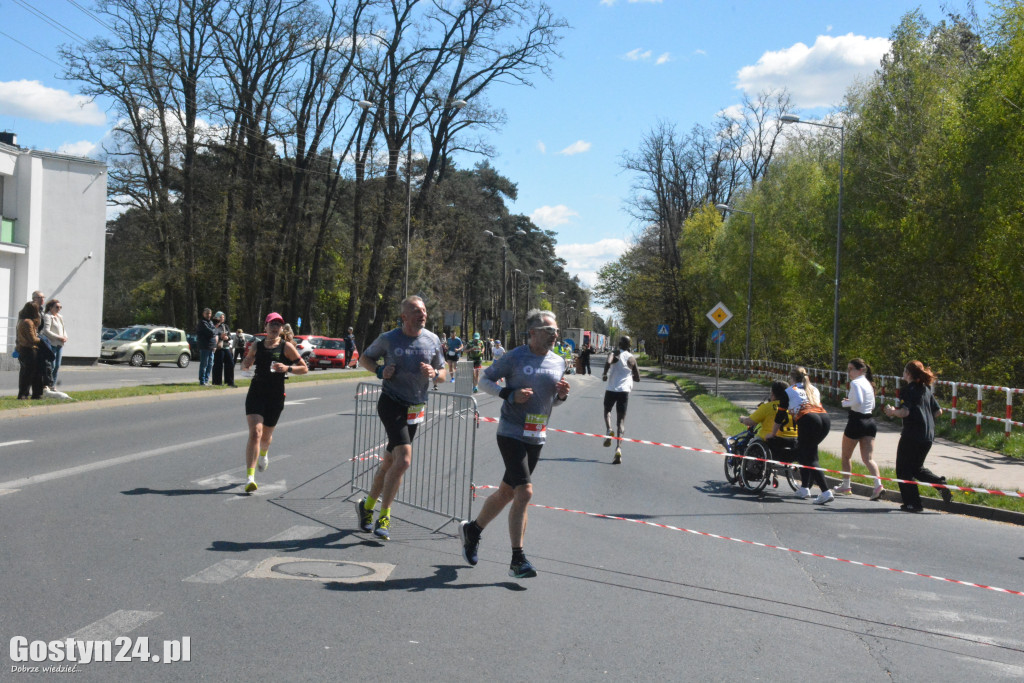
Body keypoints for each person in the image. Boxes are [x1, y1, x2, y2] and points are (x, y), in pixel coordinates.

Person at [458, 309, 571, 579]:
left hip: (537, 435)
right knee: (525, 492)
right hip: (511, 432)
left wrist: (562, 397)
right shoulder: (515, 357)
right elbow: (485, 380)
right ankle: (517, 559)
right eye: (549, 331)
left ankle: (472, 531)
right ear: (532, 333)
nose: (555, 335)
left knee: (508, 492)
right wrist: (509, 393)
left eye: (556, 330)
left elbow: (550, 402)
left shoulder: (558, 361)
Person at [356, 296, 446, 539]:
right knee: (404, 460)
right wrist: (379, 371)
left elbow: (444, 374)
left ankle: (366, 507)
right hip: (391, 402)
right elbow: (364, 358)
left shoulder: (432, 339)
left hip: (415, 407)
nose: (422, 314)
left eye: (424, 310)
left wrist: (434, 372)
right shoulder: (389, 338)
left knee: (389, 462)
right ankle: (384, 516)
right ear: (404, 316)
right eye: (416, 311)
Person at [239, 312, 307, 494]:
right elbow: (246, 364)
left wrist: (287, 368)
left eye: (278, 325)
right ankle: (250, 478)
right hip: (256, 392)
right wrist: (245, 365)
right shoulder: (257, 345)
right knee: (255, 433)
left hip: (275, 395)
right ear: (265, 327)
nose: (275, 328)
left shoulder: (286, 348)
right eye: (272, 324)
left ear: (281, 329)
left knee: (266, 437)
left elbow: (304, 368)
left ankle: (264, 453)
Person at [883, 360, 951, 512]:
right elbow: (938, 411)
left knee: (903, 470)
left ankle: (912, 503)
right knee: (916, 468)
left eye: (904, 371)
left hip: (911, 435)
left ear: (908, 373)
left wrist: (892, 411)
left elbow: (905, 412)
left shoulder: (907, 390)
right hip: (927, 435)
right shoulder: (926, 389)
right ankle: (940, 484)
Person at [835, 358, 884, 500]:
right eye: (848, 369)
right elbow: (873, 405)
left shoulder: (855, 383)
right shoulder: (868, 384)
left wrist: (845, 403)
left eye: (851, 369)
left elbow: (858, 401)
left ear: (860, 370)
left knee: (846, 456)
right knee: (868, 458)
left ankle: (846, 485)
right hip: (870, 422)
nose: (849, 372)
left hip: (856, 421)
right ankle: (878, 485)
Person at [785, 366, 834, 505]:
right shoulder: (814, 388)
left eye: (789, 378)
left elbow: (781, 411)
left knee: (811, 457)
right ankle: (804, 488)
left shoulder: (790, 390)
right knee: (805, 452)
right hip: (824, 419)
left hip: (809, 420)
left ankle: (825, 491)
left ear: (792, 378)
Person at [602, 335, 640, 464]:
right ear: (629, 345)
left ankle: (608, 429)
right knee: (621, 420)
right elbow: (638, 377)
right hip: (624, 391)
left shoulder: (614, 353)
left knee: (607, 410)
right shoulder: (631, 358)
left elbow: (608, 362)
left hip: (612, 389)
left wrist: (604, 374)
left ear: (619, 343)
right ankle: (618, 448)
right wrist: (630, 375)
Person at [741, 380, 798, 460]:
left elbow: (750, 422)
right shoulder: (794, 407)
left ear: (773, 394)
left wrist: (742, 419)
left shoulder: (767, 407)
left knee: (751, 443)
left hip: (774, 443)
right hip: (794, 443)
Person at [15, 301, 43, 400]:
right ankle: (25, 394)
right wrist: (42, 340)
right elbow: (32, 339)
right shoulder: (28, 322)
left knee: (26, 373)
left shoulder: (21, 321)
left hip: (23, 349)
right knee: (31, 373)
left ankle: (25, 394)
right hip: (29, 349)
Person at [41, 299, 67, 388]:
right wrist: (59, 337)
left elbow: (63, 329)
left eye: (60, 307)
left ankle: (52, 386)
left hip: (60, 344)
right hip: (51, 344)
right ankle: (46, 385)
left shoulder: (60, 317)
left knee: (57, 366)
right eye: (57, 307)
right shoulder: (47, 316)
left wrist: (65, 336)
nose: (59, 309)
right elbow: (46, 331)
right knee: (51, 366)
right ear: (50, 307)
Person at [211, 312, 235, 387]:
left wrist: (227, 338)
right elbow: (213, 334)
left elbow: (230, 336)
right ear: (217, 317)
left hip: (226, 347)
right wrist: (220, 337)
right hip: (219, 347)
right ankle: (217, 382)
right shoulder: (215, 326)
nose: (222, 318)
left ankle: (229, 382)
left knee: (230, 363)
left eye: (223, 317)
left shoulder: (225, 326)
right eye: (221, 317)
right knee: (218, 364)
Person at [195, 308, 217, 385]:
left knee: (210, 364)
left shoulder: (210, 322)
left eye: (210, 313)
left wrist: (214, 345)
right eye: (207, 313)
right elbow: (210, 332)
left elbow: (215, 331)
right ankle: (202, 381)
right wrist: (214, 331)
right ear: (203, 314)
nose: (209, 315)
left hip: (211, 346)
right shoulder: (202, 323)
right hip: (204, 346)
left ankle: (207, 380)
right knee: (204, 364)